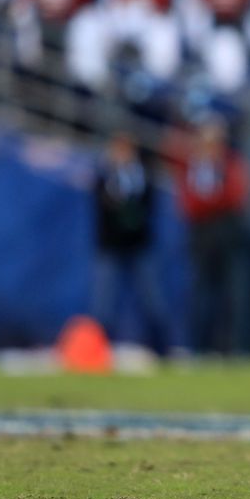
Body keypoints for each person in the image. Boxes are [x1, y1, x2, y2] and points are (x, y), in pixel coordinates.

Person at [169, 117, 250, 356]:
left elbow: (236, 196)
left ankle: (239, 347)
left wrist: (211, 203)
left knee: (237, 294)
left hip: (229, 233)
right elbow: (189, 203)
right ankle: (197, 347)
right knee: (201, 294)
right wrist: (213, 203)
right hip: (202, 235)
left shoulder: (231, 165)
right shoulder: (191, 166)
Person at [91, 130, 170, 352]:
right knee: (104, 303)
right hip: (110, 245)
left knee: (153, 299)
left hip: (138, 245)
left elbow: (147, 208)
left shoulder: (143, 176)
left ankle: (163, 349)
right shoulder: (105, 176)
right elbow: (102, 204)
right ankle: (98, 350)